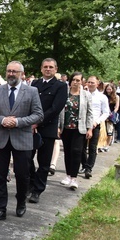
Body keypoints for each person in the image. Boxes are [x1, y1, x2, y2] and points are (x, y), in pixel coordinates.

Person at [0, 61, 43, 221]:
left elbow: (38, 114)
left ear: (21, 74)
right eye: (8, 71)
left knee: (23, 175)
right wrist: (2, 120)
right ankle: (0, 209)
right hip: (1, 138)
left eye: (14, 71)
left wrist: (17, 122)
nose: (11, 74)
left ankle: (21, 202)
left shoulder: (31, 91)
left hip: (22, 138)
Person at [27, 58, 68, 204]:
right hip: (30, 127)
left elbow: (56, 108)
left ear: (56, 69)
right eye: (45, 67)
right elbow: (29, 103)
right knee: (26, 158)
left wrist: (37, 122)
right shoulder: (35, 83)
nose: (48, 69)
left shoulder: (60, 86)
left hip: (47, 127)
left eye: (51, 67)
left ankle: (37, 190)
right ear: (41, 68)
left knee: (44, 162)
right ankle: (30, 184)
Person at [58, 72, 94, 190]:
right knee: (67, 151)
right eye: (74, 80)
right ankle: (68, 175)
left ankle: (74, 178)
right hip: (66, 127)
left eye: (78, 80)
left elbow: (89, 112)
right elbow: (59, 111)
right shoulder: (65, 93)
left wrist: (90, 128)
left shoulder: (86, 95)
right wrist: (58, 126)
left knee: (77, 151)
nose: (75, 82)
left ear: (82, 81)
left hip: (80, 128)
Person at [79, 76, 109, 179]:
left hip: (95, 124)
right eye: (89, 82)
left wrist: (97, 121)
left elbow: (106, 112)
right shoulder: (82, 94)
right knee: (81, 147)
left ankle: (89, 168)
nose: (90, 84)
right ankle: (84, 164)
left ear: (97, 84)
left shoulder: (102, 97)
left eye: (92, 82)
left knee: (92, 147)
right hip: (82, 124)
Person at [98, 82, 119, 152]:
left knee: (109, 131)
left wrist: (112, 114)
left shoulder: (116, 97)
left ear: (113, 89)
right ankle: (101, 144)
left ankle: (107, 145)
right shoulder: (103, 96)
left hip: (111, 115)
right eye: (107, 89)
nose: (108, 91)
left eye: (110, 89)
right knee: (102, 131)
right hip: (103, 115)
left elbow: (116, 107)